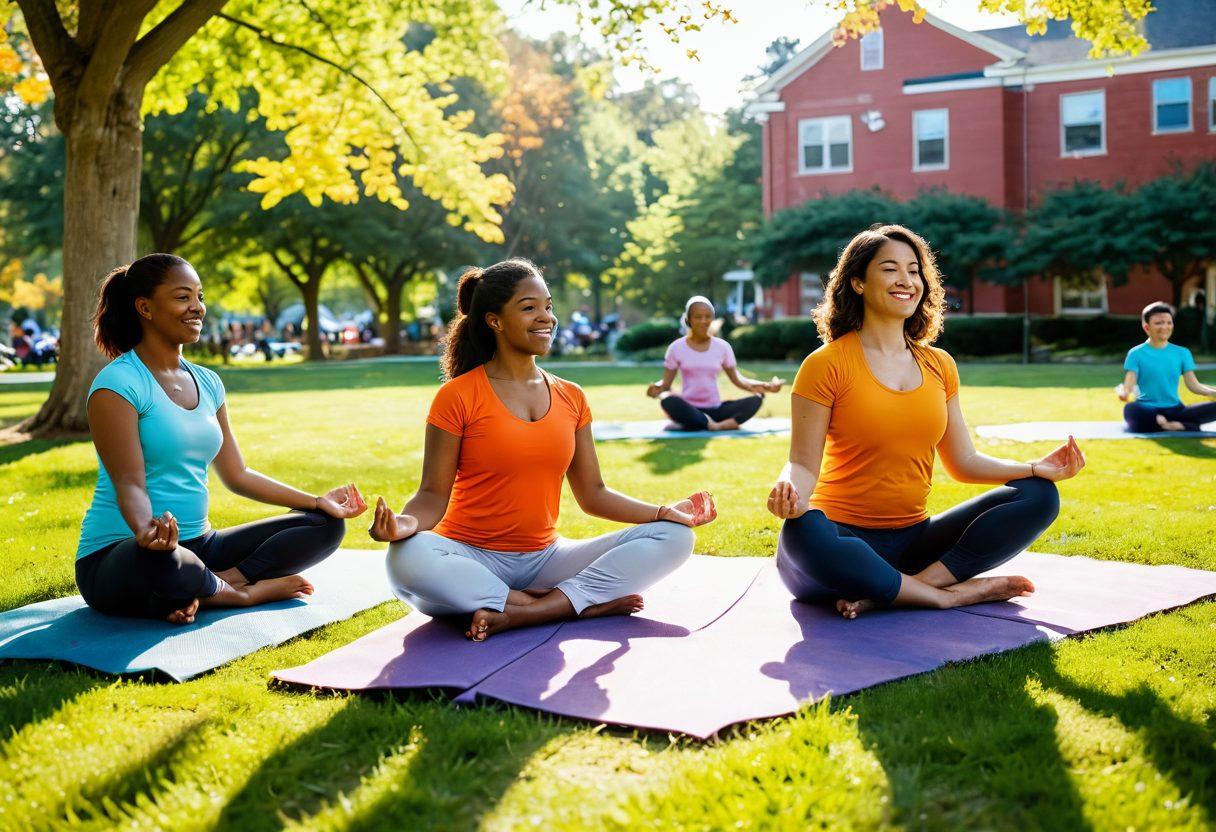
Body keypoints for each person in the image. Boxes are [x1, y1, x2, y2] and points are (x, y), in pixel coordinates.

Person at [370, 258, 716, 642]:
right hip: (467, 560)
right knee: (406, 558)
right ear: (494, 321)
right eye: (529, 307)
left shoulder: (572, 396)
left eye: (548, 306)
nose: (546, 318)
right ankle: (568, 604)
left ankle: (528, 610)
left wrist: (663, 512)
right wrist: (405, 525)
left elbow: (594, 495)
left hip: (546, 560)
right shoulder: (456, 397)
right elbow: (432, 495)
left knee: (675, 536)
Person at [767, 225, 1086, 619]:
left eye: (914, 270)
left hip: (913, 542)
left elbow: (963, 461)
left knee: (1039, 495)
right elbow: (801, 463)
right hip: (838, 542)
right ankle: (948, 595)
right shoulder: (824, 365)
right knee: (804, 530)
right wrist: (790, 491)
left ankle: (911, 586)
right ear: (857, 282)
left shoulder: (939, 365)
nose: (906, 280)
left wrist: (1037, 468)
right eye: (889, 269)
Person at [76, 253, 368, 624]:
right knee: (164, 561)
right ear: (145, 307)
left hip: (200, 545)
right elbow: (129, 483)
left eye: (200, 297)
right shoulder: (118, 384)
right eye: (183, 297)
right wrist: (146, 532)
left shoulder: (209, 382)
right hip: (126, 552)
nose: (196, 307)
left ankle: (212, 585)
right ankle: (239, 595)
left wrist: (316, 501)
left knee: (324, 525)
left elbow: (238, 474)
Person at [646, 296, 785, 431]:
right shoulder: (676, 348)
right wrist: (656, 389)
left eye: (707, 316)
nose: (703, 321)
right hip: (689, 408)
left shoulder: (723, 347)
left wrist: (767, 387)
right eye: (698, 317)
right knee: (667, 401)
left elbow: (738, 380)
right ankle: (714, 424)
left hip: (717, 409)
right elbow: (666, 385)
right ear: (688, 320)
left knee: (756, 400)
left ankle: (704, 424)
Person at [1117, 302, 1216, 433]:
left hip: (1176, 410)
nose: (1165, 327)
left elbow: (1194, 385)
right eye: (1159, 323)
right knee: (1131, 409)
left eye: (1169, 322)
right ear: (1147, 327)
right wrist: (1124, 393)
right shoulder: (1135, 354)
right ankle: (1187, 426)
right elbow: (1129, 386)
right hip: (1146, 409)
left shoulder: (1182, 353)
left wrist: (1213, 392)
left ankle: (1171, 424)